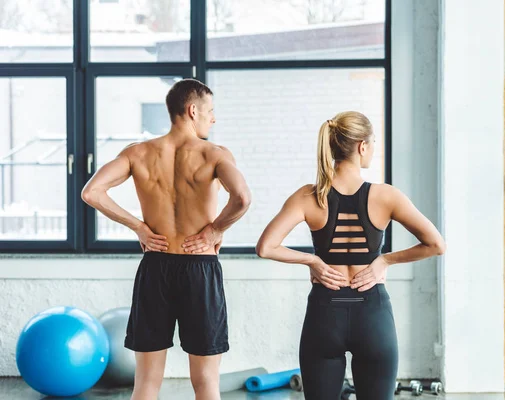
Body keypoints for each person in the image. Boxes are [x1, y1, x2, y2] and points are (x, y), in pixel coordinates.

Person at [255, 111, 445, 400]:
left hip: (324, 313)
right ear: (362, 147)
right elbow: (435, 244)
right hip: (372, 314)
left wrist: (313, 260)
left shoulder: (309, 196)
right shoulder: (386, 196)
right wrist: (384, 260)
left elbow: (266, 247)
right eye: (373, 142)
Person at [81, 79, 251, 400]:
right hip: (199, 267)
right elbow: (241, 198)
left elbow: (91, 192)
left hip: (156, 266)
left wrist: (139, 228)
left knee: (146, 384)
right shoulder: (214, 154)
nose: (213, 119)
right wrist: (215, 231)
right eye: (210, 111)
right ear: (192, 111)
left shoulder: (138, 153)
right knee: (206, 383)